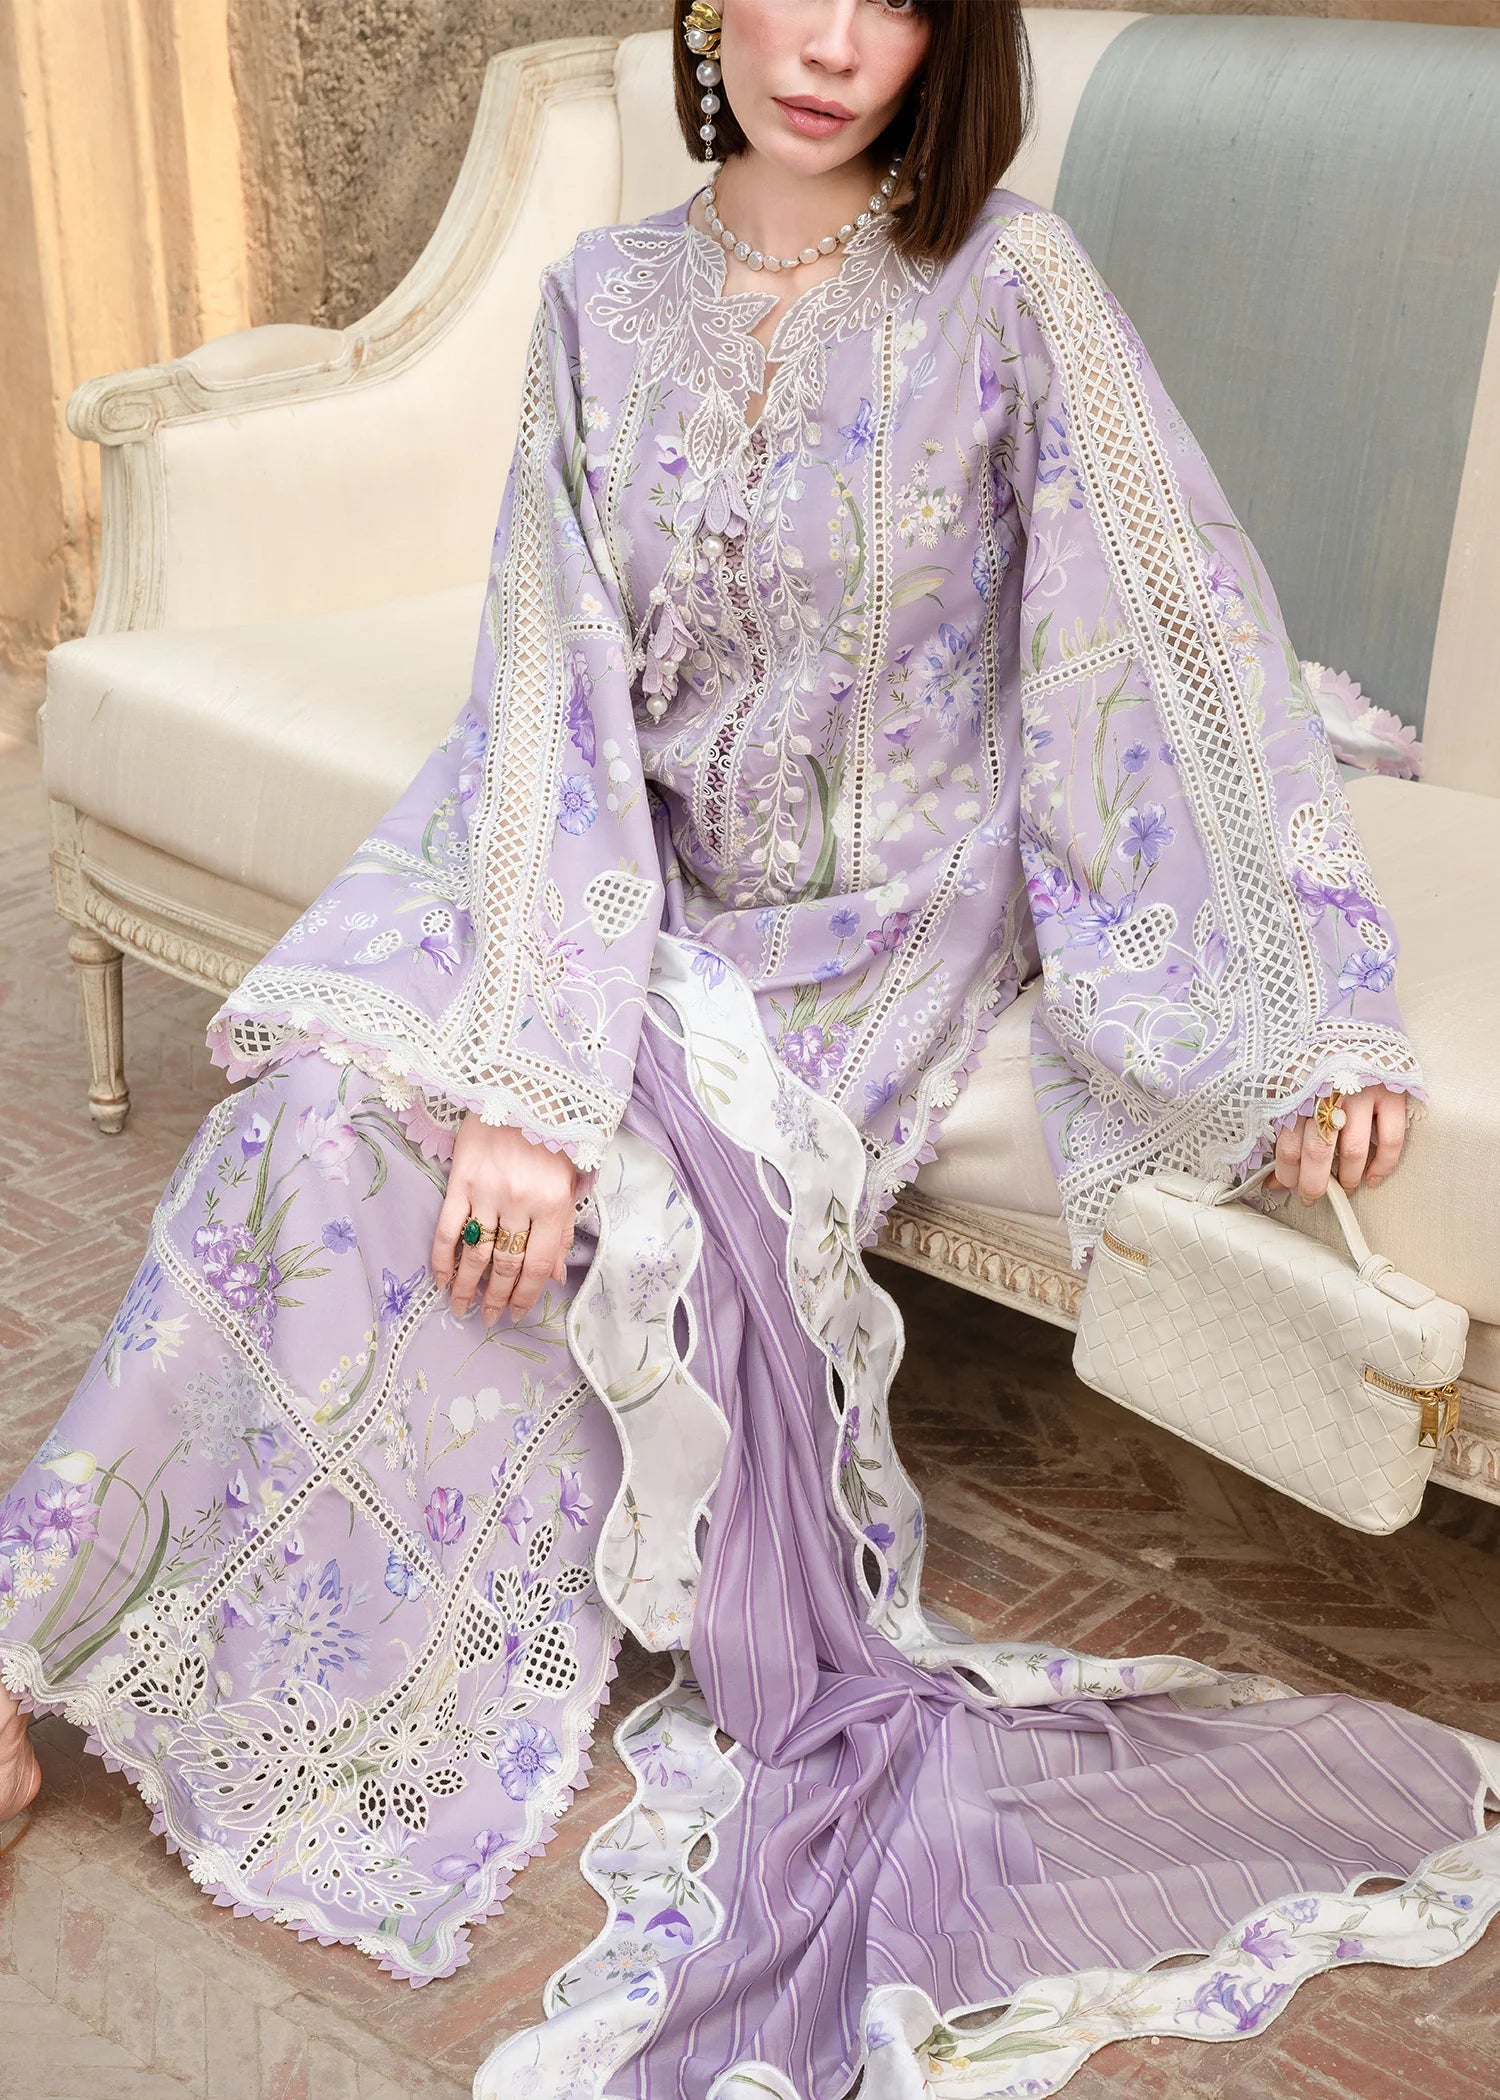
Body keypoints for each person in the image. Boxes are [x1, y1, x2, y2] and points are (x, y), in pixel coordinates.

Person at [4, 0, 1496, 2091]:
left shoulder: (1008, 282)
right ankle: (36, 1647)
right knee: (327, 1119)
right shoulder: (599, 302)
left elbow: (1157, 633)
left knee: (545, 1218)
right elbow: (548, 687)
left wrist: (1292, 1010)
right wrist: (531, 1069)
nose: (836, 42)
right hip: (630, 883)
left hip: (876, 930)